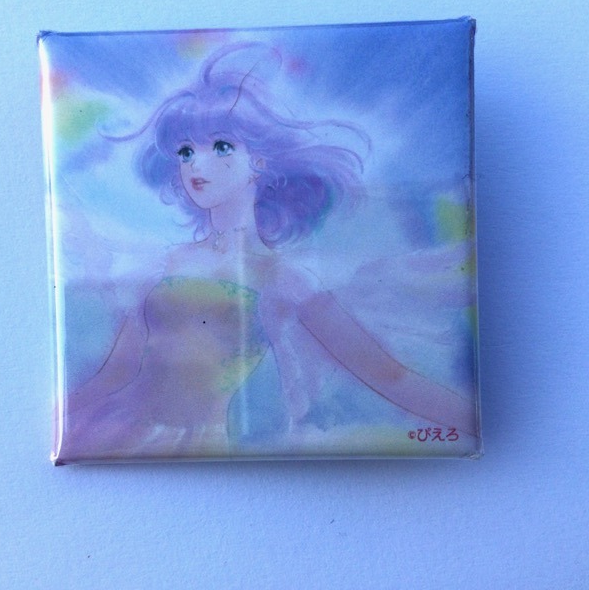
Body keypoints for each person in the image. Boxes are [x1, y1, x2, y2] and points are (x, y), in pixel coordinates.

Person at [56, 42, 477, 462]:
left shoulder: (284, 279)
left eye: (221, 146)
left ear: (259, 161)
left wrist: (469, 421)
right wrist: (60, 417)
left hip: (199, 447)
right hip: (113, 433)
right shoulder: (166, 264)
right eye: (185, 151)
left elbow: (388, 374)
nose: (196, 164)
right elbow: (117, 370)